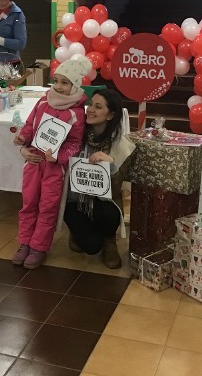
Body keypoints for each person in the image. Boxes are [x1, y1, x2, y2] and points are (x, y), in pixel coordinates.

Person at [12, 56, 91, 269]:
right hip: (34, 162)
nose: (58, 86)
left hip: (54, 168)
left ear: (75, 85)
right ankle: (24, 243)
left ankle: (39, 246)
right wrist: (23, 139)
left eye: (65, 83)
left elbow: (75, 143)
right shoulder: (43, 101)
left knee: (48, 207)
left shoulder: (76, 113)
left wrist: (59, 157)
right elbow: (30, 125)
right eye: (56, 81)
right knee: (28, 203)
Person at [61, 89, 135, 269]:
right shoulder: (75, 136)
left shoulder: (122, 145)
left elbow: (118, 189)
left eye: (98, 107)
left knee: (109, 214)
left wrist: (111, 164)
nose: (90, 110)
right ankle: (78, 232)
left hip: (103, 203)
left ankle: (110, 240)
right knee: (91, 247)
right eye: (91, 104)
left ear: (110, 115)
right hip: (75, 200)